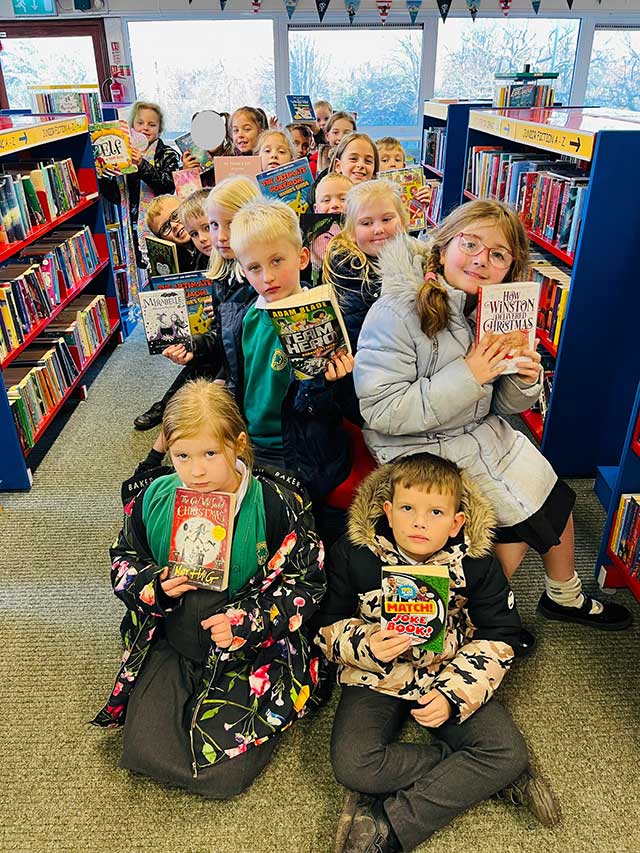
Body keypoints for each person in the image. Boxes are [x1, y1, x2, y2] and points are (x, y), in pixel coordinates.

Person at [354, 199, 631, 632]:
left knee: (550, 490)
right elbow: (382, 410)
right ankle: (485, 611)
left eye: (498, 255)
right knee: (510, 517)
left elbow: (495, 406)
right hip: (415, 446)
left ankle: (564, 593)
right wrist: (470, 373)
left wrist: (523, 378)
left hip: (474, 432)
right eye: (470, 244)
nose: (482, 260)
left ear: (510, 270)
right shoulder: (396, 312)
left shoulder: (486, 311)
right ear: (443, 248)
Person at [93, 379, 327, 799]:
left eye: (210, 454)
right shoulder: (155, 496)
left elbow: (306, 582)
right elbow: (123, 558)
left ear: (237, 445)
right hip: (177, 634)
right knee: (142, 748)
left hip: (250, 647)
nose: (196, 471)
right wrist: (156, 586)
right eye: (182, 455)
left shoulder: (278, 503)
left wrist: (250, 621)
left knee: (222, 775)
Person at [315, 453, 559, 853]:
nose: (419, 522)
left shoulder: (477, 561)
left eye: (435, 512)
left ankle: (389, 827)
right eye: (408, 509)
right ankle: (477, 773)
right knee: (353, 763)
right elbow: (324, 626)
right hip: (376, 675)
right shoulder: (354, 553)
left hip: (447, 668)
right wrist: (366, 645)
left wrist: (451, 695)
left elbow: (500, 635)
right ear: (388, 512)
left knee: (505, 752)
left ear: (457, 521)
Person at [157, 197, 355, 503]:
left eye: (277, 261)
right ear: (242, 270)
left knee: (284, 518)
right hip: (247, 444)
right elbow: (239, 378)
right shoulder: (245, 317)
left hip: (301, 453)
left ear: (302, 257)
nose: (268, 277)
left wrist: (328, 380)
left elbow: (330, 409)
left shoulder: (322, 317)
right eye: (254, 267)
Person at [134, 177, 260, 441]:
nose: (207, 239)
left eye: (209, 227)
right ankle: (166, 419)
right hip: (224, 348)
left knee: (204, 379)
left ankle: (167, 415)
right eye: (197, 232)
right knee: (199, 364)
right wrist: (192, 342)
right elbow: (218, 333)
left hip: (242, 363)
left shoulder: (246, 266)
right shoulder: (215, 265)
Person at [323, 180, 407, 355]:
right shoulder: (349, 268)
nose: (378, 229)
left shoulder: (413, 259)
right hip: (366, 357)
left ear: (404, 222)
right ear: (352, 233)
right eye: (367, 223)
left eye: (387, 219)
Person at [144, 193, 202, 273]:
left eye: (175, 215)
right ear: (163, 241)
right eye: (165, 228)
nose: (174, 225)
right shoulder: (179, 266)